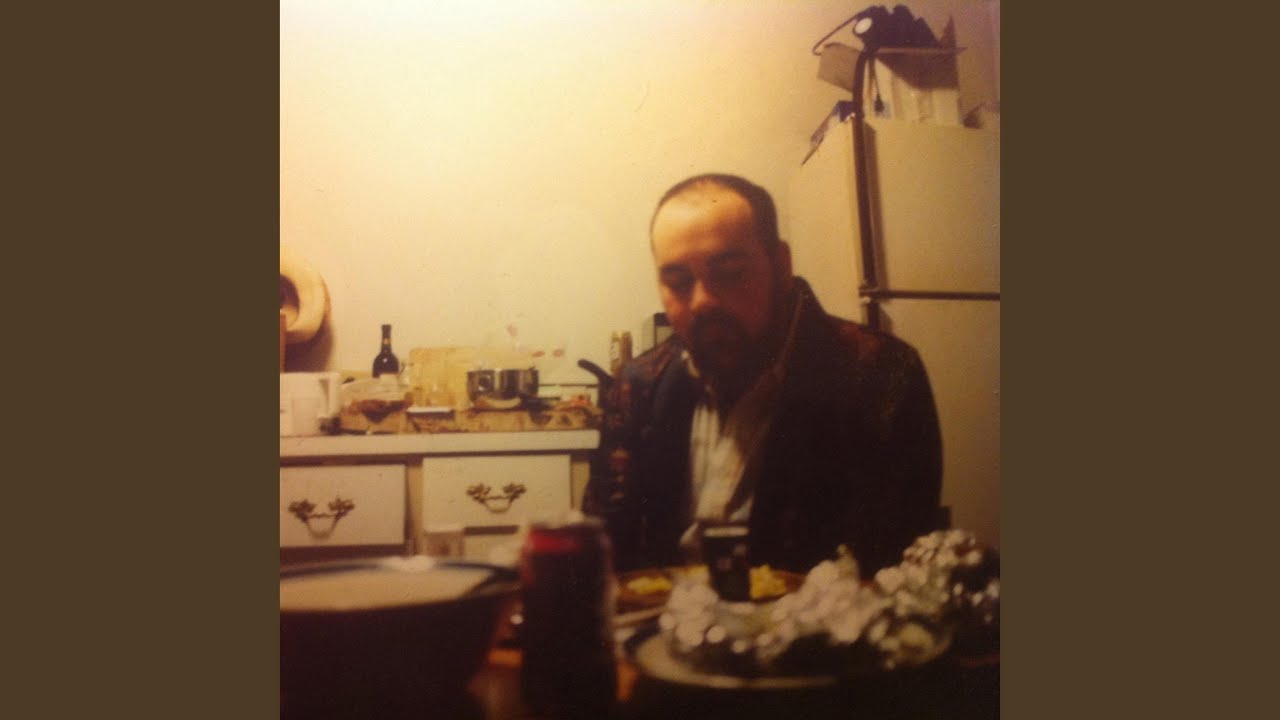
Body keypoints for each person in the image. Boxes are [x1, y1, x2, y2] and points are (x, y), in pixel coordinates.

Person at [583, 173, 943, 576]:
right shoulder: (639, 384)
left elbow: (888, 565)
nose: (701, 302)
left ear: (781, 266)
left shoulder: (880, 375)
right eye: (678, 282)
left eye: (730, 273)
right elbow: (603, 544)